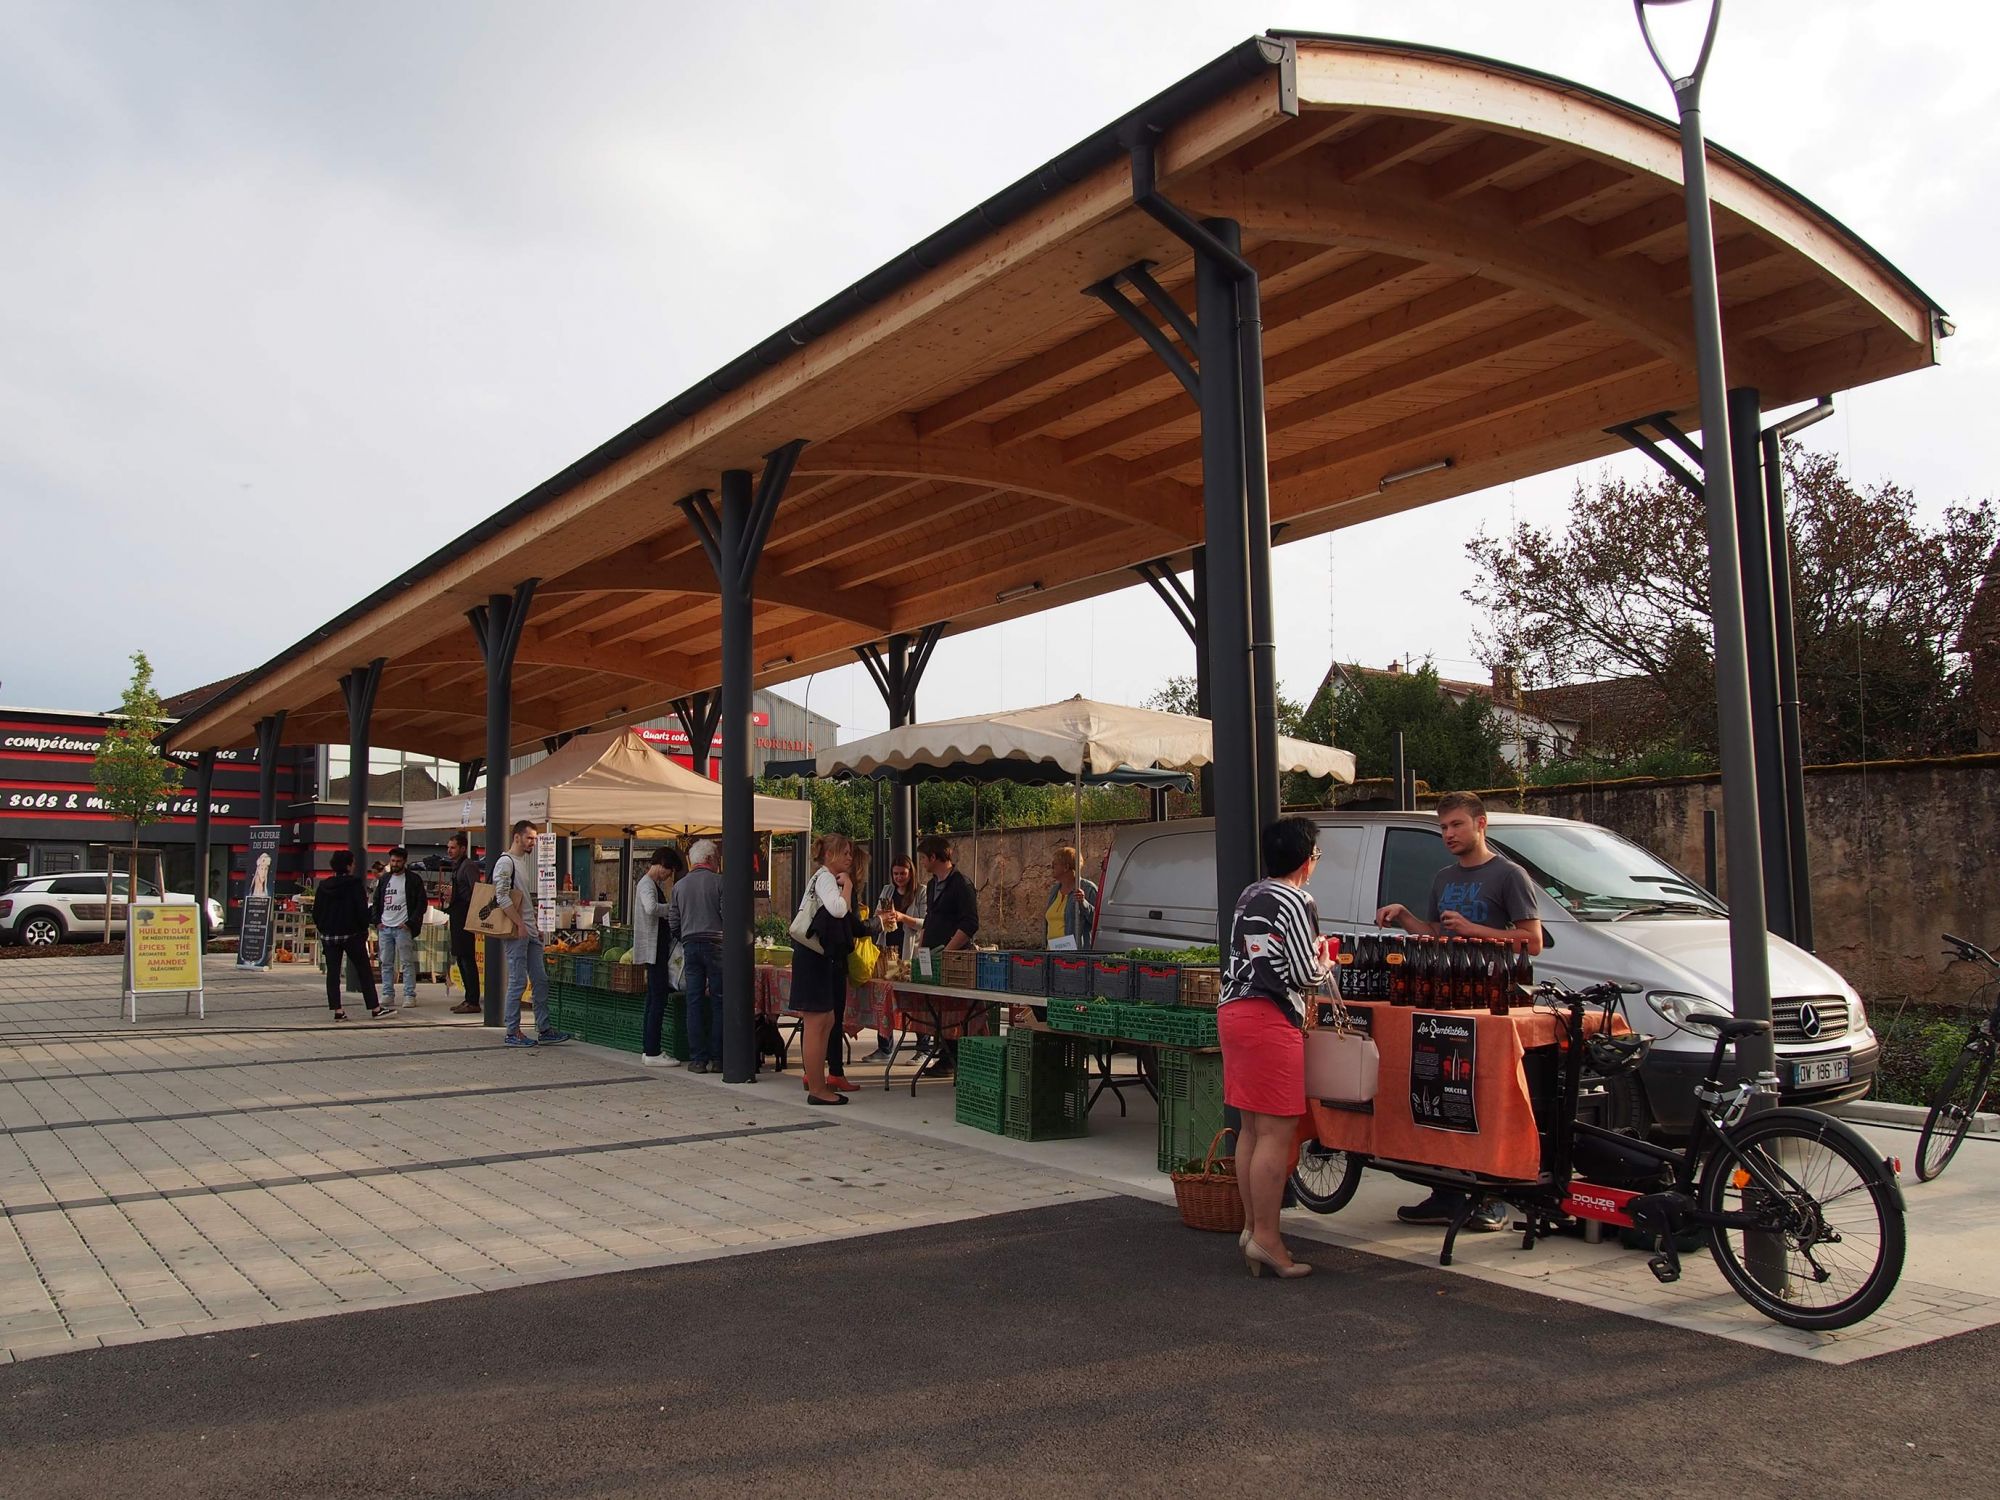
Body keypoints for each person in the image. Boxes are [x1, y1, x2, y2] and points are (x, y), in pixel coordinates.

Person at [1375, 789, 1546, 1233]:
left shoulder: (1510, 875)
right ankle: (1447, 1192)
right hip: (1446, 1000)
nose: (1448, 834)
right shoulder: (1442, 877)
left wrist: (1475, 930)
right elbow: (1436, 934)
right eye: (1443, 827)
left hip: (1492, 1002)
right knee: (1447, 1095)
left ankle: (1490, 1198)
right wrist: (1406, 918)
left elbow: (1533, 941)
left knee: (1489, 1097)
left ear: (1481, 824)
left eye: (1456, 825)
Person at [1219, 815, 1333, 1279]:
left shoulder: (1251, 894)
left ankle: (1252, 1229)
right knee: (1276, 1132)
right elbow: (1305, 974)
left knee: (1251, 1128)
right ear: (1307, 860)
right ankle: (1268, 1238)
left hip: (1234, 1012)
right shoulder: (1297, 898)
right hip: (1270, 1017)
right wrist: (1325, 960)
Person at [492, 820, 572, 1049]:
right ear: (517, 837)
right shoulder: (506, 862)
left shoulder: (521, 863)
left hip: (528, 930)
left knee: (540, 979)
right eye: (530, 838)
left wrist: (532, 924)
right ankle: (512, 1031)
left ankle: (544, 1028)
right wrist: (520, 924)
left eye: (535, 839)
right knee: (518, 981)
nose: (533, 843)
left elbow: (522, 898)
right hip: (517, 932)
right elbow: (502, 897)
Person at [789, 833, 855, 1105]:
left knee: (825, 1019)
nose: (850, 858)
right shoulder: (826, 877)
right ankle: (817, 1087)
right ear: (830, 855)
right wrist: (847, 887)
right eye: (845, 852)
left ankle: (819, 1082)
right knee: (817, 1022)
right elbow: (838, 909)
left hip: (813, 955)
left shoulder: (818, 877)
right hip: (812, 956)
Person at [916, 834, 978, 1078]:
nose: (921, 863)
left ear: (934, 857)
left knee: (955, 1010)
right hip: (931, 955)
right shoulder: (932, 884)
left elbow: (970, 922)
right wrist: (921, 947)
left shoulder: (961, 884)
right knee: (939, 1009)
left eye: (923, 858)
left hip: (953, 957)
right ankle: (944, 1052)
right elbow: (930, 918)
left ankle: (953, 1057)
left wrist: (949, 951)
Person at [314, 849, 391, 1021]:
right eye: (353, 863)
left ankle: (338, 1010)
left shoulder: (323, 886)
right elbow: (361, 910)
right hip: (352, 935)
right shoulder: (354, 884)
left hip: (329, 936)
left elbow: (317, 911)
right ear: (349, 866)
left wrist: (323, 928)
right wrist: (363, 927)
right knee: (364, 970)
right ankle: (375, 1007)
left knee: (332, 973)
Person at [668, 839, 725, 1073]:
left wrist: (683, 936)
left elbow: (673, 919)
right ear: (711, 859)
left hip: (690, 945)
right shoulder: (720, 882)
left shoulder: (679, 886)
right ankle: (719, 1058)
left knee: (694, 1001)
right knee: (720, 1000)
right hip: (717, 945)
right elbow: (727, 914)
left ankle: (697, 1059)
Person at [867, 854, 925, 1062]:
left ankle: (923, 1047)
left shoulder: (921, 892)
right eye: (896, 873)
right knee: (886, 997)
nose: (899, 877)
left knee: (913, 999)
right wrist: (884, 917)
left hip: (908, 951)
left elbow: (924, 922)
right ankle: (885, 1046)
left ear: (911, 873)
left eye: (903, 873)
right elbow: (876, 915)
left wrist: (902, 917)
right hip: (888, 950)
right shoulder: (887, 890)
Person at [636, 845, 685, 1067]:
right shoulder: (647, 885)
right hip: (654, 950)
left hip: (655, 949)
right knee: (657, 1000)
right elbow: (651, 908)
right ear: (662, 864)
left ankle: (649, 1048)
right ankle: (653, 1051)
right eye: (669, 870)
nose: (668, 876)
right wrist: (672, 908)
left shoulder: (650, 884)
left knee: (652, 1000)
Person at [369, 845, 429, 1007]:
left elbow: (421, 903)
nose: (395, 864)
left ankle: (409, 994)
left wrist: (410, 923)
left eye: (398, 861)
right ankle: (387, 993)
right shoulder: (384, 879)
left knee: (407, 962)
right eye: (393, 861)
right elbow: (376, 901)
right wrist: (377, 921)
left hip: (402, 926)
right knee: (386, 962)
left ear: (404, 862)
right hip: (385, 926)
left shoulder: (413, 879)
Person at [444, 833, 483, 1015]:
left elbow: (477, 890)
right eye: (448, 847)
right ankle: (468, 998)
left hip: (466, 915)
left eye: (453, 847)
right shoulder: (456, 866)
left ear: (462, 848)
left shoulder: (468, 866)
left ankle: (473, 1000)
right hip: (458, 914)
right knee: (460, 957)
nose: (449, 851)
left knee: (467, 958)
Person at [1042, 845, 1098, 949]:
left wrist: (1083, 903)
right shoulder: (1055, 890)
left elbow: (1098, 921)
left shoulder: (1088, 889)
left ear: (1066, 867)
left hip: (1073, 957)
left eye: (1055, 864)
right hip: (1052, 953)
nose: (1051, 867)